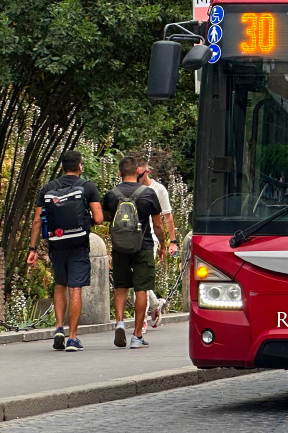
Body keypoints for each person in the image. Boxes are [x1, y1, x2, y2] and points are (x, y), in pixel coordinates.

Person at [27, 150, 103, 352]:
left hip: (57, 243)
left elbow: (37, 220)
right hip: (78, 244)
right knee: (75, 288)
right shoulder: (88, 187)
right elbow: (98, 218)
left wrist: (32, 248)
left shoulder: (48, 188)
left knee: (60, 284)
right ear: (80, 166)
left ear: (62, 167)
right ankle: (72, 338)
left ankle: (59, 328)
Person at [103, 155, 174, 349]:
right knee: (141, 288)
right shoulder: (148, 194)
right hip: (143, 245)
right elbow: (158, 225)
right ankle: (137, 335)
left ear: (119, 173)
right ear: (137, 172)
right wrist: (163, 245)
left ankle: (119, 322)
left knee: (121, 285)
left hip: (119, 246)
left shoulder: (111, 194)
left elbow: (106, 219)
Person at [137, 161, 177, 329]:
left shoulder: (158, 189)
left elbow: (167, 217)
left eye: (138, 174)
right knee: (138, 280)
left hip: (150, 237)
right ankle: (155, 304)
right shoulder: (129, 186)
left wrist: (171, 242)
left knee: (142, 278)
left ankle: (142, 320)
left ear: (146, 172)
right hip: (132, 238)